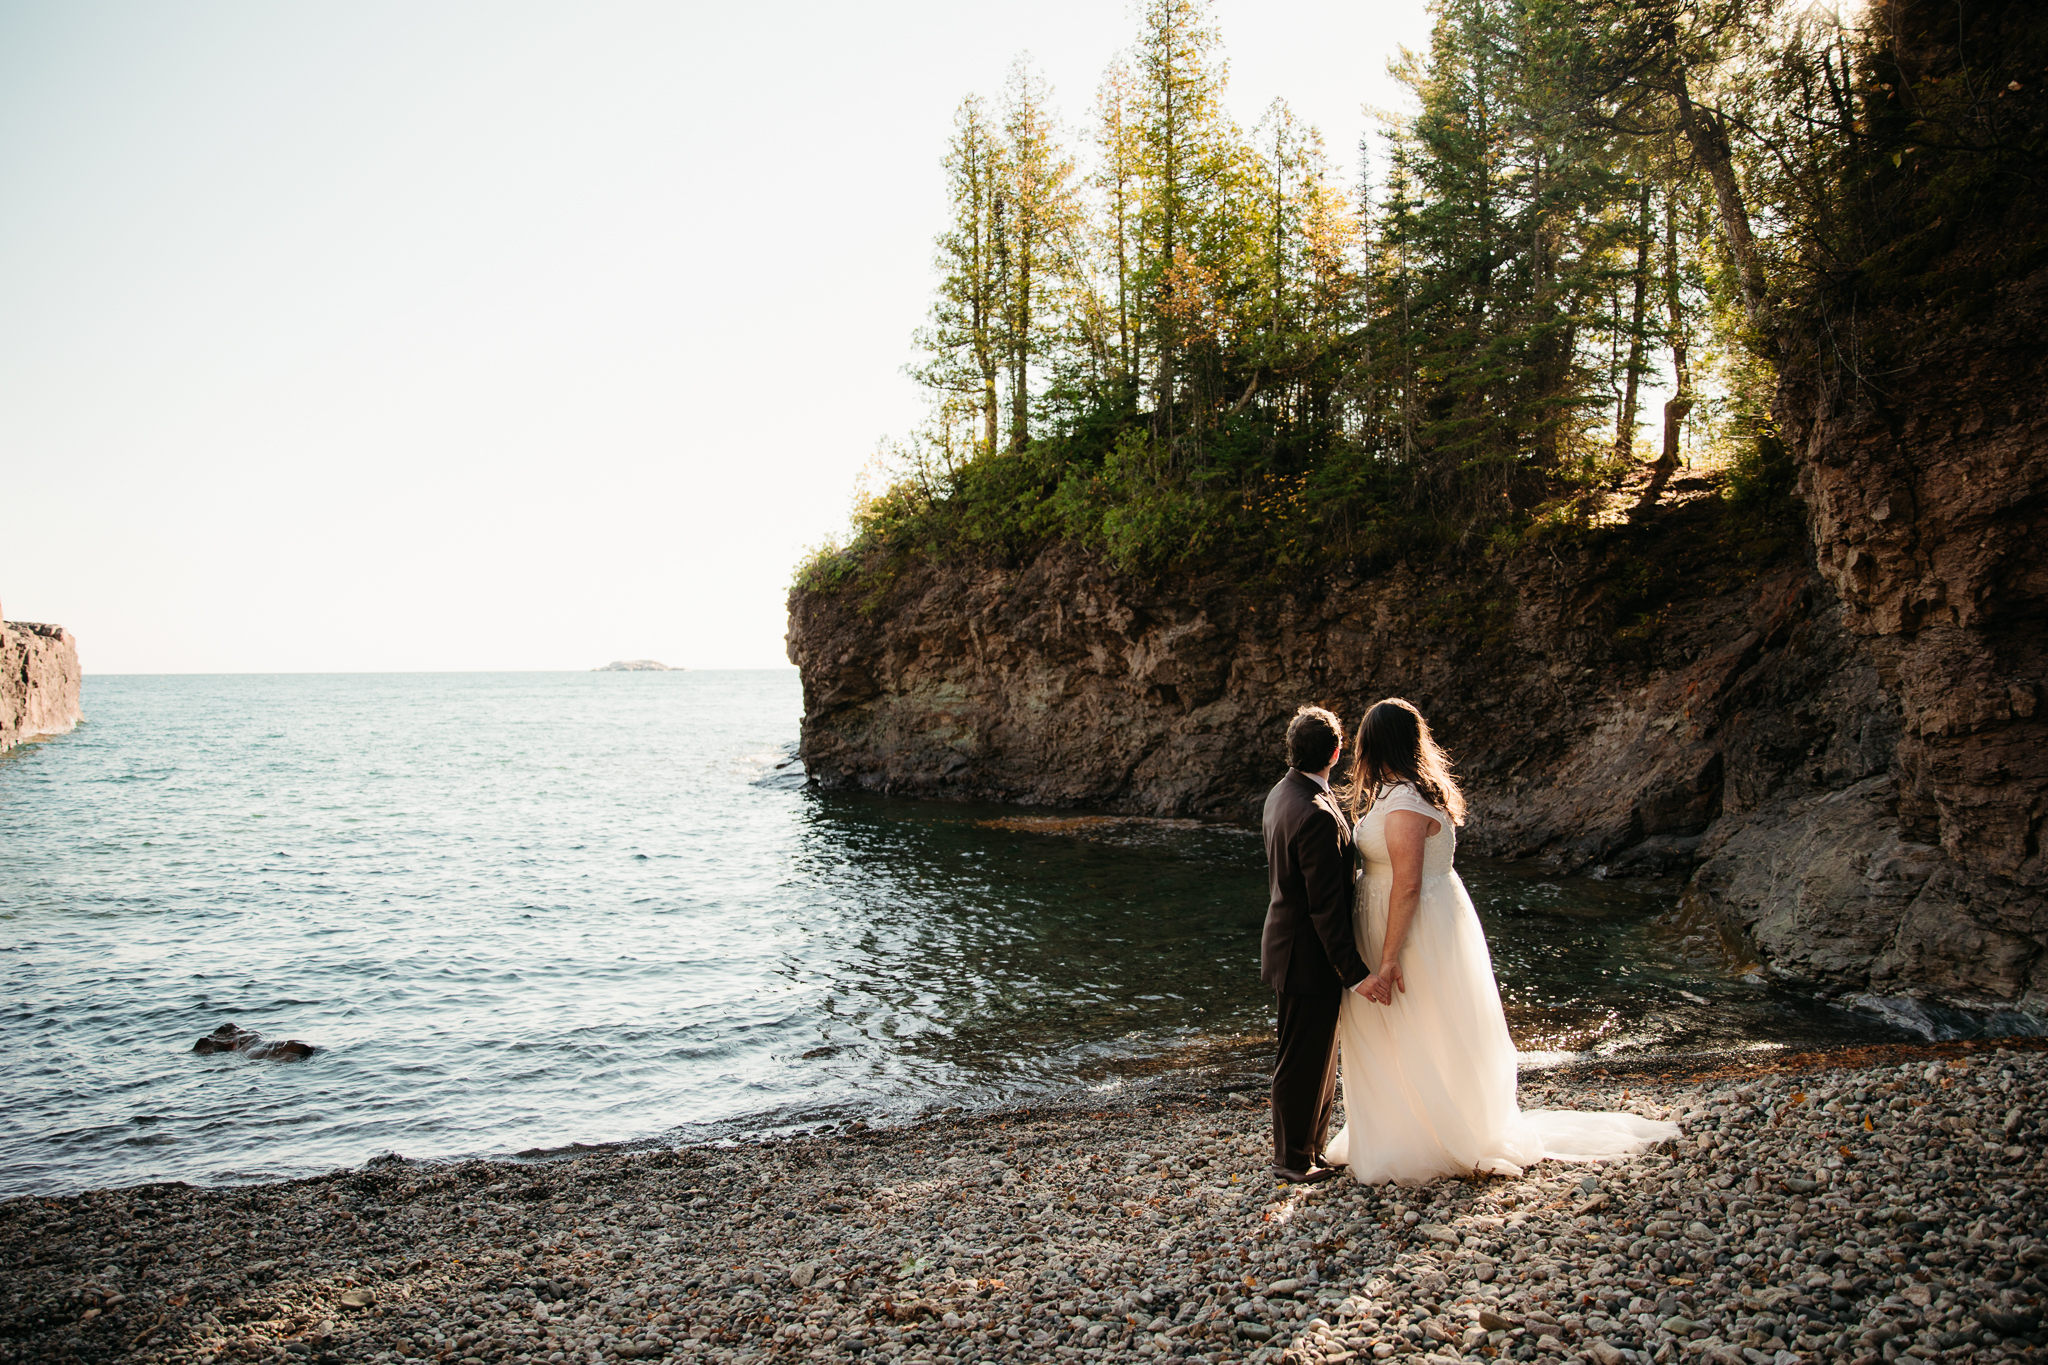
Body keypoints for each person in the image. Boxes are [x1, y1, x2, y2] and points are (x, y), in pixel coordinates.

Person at [1323, 698, 1677, 1185]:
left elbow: (1406, 883)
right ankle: (1393, 1128)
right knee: (1412, 1026)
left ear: (1373, 745)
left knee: (1416, 1022)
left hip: (1406, 931)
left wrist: (1386, 961)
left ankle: (1421, 1139)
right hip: (1413, 919)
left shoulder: (1404, 802)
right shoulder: (1402, 793)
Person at [1260, 705, 1375, 1184]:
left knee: (1316, 1057)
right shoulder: (1316, 814)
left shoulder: (1281, 793)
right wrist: (1356, 972)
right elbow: (1325, 908)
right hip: (1306, 956)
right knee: (1303, 1060)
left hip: (1288, 945)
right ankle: (1291, 1160)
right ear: (1336, 751)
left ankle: (1309, 1150)